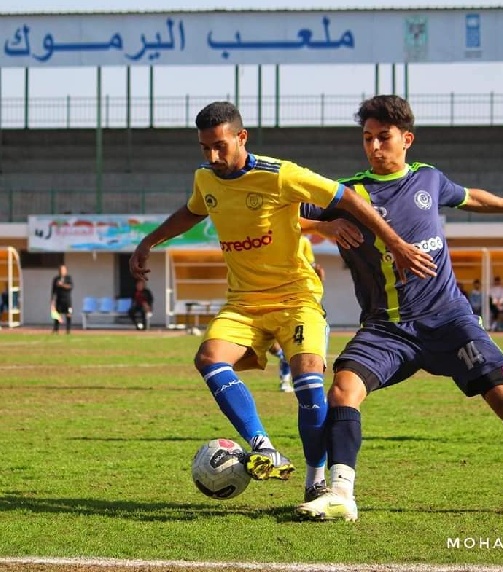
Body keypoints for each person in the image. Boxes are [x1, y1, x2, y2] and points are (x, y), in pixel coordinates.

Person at [295, 94, 503, 521]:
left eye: (384, 138)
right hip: (387, 327)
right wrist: (325, 223)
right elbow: (283, 212)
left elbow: (470, 196)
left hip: (450, 319)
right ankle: (342, 494)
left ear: (407, 140)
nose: (375, 147)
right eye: (368, 139)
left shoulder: (430, 179)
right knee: (344, 388)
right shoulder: (348, 193)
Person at [128, 101, 434, 503]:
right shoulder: (206, 179)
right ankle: (263, 446)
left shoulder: (281, 174)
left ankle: (316, 480)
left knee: (309, 382)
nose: (213, 156)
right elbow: (191, 211)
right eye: (205, 148)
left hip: (297, 298)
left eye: (220, 146)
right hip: (243, 302)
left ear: (242, 137)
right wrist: (149, 241)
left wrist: (393, 241)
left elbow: (345, 196)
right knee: (208, 358)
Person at [269, 234, 326, 393]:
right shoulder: (271, 238)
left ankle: (286, 381)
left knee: (295, 343)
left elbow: (312, 266)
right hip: (272, 296)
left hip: (298, 299)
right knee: (270, 345)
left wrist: (318, 280)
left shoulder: (303, 241)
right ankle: (284, 358)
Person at [50, 264, 73, 334]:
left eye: (63, 270)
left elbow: (70, 287)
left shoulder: (69, 278)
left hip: (67, 300)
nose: (61, 271)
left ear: (66, 270)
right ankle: (56, 330)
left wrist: (62, 285)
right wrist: (52, 300)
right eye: (60, 270)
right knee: (56, 315)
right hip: (59, 299)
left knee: (68, 315)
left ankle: (68, 331)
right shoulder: (56, 279)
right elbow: (53, 290)